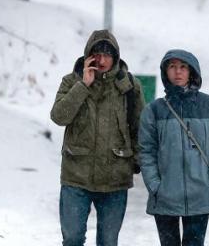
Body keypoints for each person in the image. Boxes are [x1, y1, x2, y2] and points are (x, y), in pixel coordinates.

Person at [50, 30, 144, 246]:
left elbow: (140, 128)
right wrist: (83, 85)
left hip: (115, 179)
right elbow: (58, 116)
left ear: (116, 57)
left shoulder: (129, 86)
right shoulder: (71, 81)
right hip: (76, 177)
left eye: (107, 55)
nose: (101, 60)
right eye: (97, 54)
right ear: (88, 56)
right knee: (72, 239)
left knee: (108, 242)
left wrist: (138, 162)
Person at [139, 49, 209, 246]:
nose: (177, 72)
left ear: (192, 72)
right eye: (172, 67)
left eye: (183, 67)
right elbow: (146, 151)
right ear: (165, 71)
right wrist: (155, 185)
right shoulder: (153, 110)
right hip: (165, 196)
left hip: (200, 194)